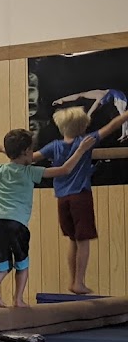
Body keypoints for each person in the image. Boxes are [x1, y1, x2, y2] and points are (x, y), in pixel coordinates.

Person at [0, 128, 95, 309]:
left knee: (2, 260)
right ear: (25, 152)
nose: (33, 154)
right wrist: (81, 150)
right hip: (17, 224)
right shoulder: (30, 172)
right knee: (22, 262)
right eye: (31, 151)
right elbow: (65, 169)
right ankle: (18, 299)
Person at [35, 106, 128, 294]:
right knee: (83, 240)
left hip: (62, 199)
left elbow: (30, 157)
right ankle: (79, 282)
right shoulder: (85, 141)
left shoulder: (54, 146)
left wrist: (5, 150)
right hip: (80, 197)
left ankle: (73, 281)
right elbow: (112, 126)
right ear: (83, 126)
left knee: (73, 240)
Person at [52, 89, 128, 141]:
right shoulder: (97, 96)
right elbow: (78, 96)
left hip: (117, 96)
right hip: (114, 95)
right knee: (121, 116)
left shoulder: (100, 96)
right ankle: (125, 133)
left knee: (123, 116)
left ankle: (125, 133)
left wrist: (89, 114)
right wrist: (62, 99)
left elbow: (95, 105)